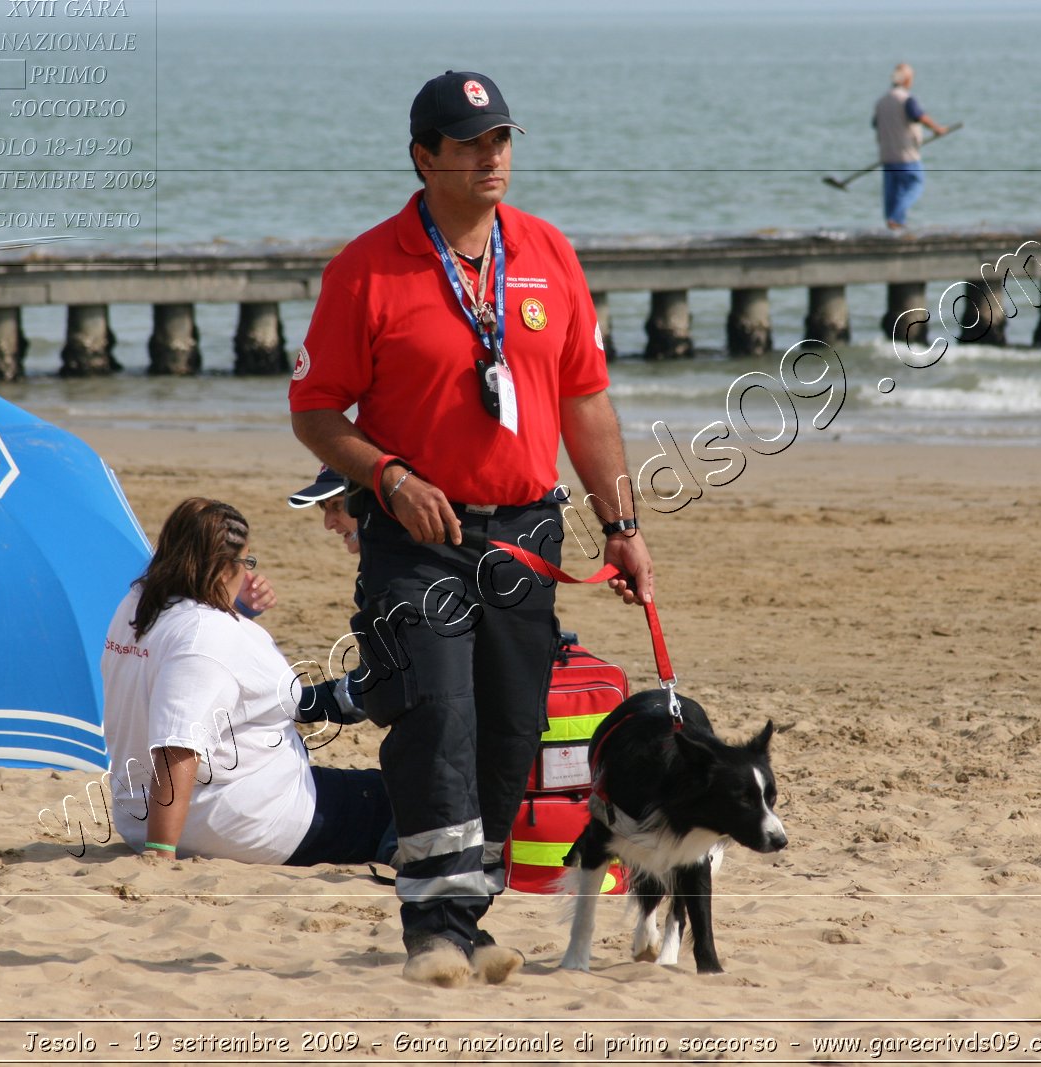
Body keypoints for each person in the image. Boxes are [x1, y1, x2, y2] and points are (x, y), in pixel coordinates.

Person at [289, 70, 654, 987]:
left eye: (500, 140)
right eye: (469, 143)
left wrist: (622, 524)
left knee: (509, 730)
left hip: (528, 535)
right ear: (424, 156)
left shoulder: (547, 253)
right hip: (417, 537)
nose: (492, 157)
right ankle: (434, 930)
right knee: (435, 715)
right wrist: (387, 474)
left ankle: (469, 908)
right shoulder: (366, 269)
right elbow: (317, 411)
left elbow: (586, 402)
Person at [100, 497, 393, 868]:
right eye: (245, 562)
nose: (247, 573)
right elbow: (177, 748)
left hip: (139, 815)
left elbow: (187, 670)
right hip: (233, 823)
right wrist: (160, 854)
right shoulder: (206, 638)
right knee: (397, 797)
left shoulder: (137, 606)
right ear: (224, 568)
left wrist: (236, 608)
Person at [288, 466, 366, 723]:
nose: (328, 523)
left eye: (338, 505)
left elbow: (382, 688)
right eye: (324, 508)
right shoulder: (390, 569)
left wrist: (292, 707)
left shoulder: (405, 579)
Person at [873, 62, 950, 230]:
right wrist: (937, 129)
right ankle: (896, 217)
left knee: (892, 190)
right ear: (906, 80)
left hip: (887, 155)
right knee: (915, 184)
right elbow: (919, 116)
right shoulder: (906, 100)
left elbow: (876, 124)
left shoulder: (881, 102)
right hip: (906, 155)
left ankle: (893, 222)